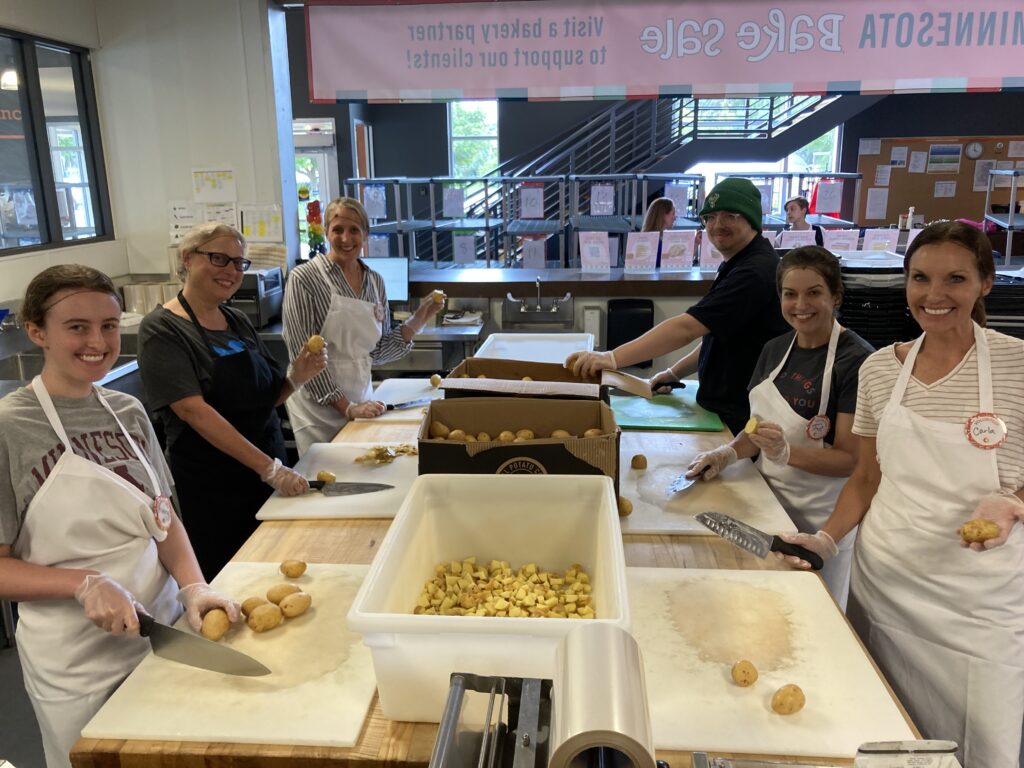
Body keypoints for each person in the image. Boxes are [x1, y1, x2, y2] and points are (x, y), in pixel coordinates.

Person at [778, 222, 1024, 766]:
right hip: (887, 581)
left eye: (955, 279)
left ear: (986, 283)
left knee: (981, 739)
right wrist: (824, 538)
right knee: (882, 728)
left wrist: (1013, 502)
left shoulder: (1017, 365)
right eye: (920, 279)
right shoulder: (879, 371)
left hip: (980, 598)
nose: (934, 296)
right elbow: (866, 477)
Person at [0, 265, 239, 768]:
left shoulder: (128, 412)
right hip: (78, 663)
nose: (98, 341)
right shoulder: (9, 428)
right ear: (36, 331)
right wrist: (84, 582)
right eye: (77, 327)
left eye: (109, 326)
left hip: (165, 632)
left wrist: (195, 586)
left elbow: (163, 518)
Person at [685, 247, 873, 608]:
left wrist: (787, 454)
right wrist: (728, 452)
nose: (800, 304)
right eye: (790, 294)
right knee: (759, 609)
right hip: (765, 505)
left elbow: (850, 460)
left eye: (814, 292)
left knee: (811, 614)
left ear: (836, 295)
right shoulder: (774, 350)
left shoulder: (857, 361)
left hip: (822, 522)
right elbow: (758, 431)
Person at [138, 223, 326, 577]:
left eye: (239, 263)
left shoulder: (236, 320)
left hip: (269, 468)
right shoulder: (162, 329)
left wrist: (296, 377)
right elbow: (193, 411)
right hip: (215, 484)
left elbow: (265, 400)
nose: (231, 271)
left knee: (277, 566)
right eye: (219, 258)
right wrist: (267, 469)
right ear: (188, 259)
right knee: (232, 575)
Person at [567, 177, 790, 435]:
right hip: (725, 406)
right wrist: (674, 373)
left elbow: (686, 328)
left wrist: (610, 358)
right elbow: (717, 334)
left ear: (751, 219)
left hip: (745, 416)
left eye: (730, 215)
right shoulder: (737, 262)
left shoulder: (755, 271)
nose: (717, 225)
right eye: (710, 217)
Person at [283, 196, 442, 454]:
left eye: (354, 230)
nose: (346, 239)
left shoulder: (375, 281)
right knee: (328, 476)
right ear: (326, 233)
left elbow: (376, 353)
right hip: (318, 408)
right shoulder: (304, 279)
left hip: (362, 399)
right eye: (338, 230)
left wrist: (420, 318)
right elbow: (303, 359)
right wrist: (346, 407)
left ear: (365, 234)